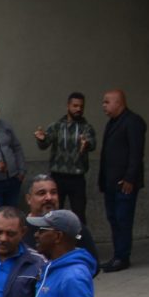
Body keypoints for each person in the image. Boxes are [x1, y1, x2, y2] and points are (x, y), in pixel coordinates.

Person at [98, 89, 147, 272]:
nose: (103, 106)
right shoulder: (112, 123)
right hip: (110, 183)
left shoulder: (133, 122)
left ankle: (122, 257)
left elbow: (136, 153)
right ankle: (117, 255)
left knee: (123, 219)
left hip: (124, 183)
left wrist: (129, 178)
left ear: (118, 102)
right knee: (114, 219)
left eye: (106, 102)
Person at [35, 92, 96, 224]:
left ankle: (79, 241)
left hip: (77, 178)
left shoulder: (86, 127)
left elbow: (92, 144)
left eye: (81, 106)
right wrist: (41, 139)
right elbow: (44, 144)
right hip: (57, 177)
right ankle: (55, 241)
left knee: (79, 215)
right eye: (75, 106)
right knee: (54, 213)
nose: (78, 109)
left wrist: (86, 144)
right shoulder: (56, 126)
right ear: (68, 106)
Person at [25, 173, 100, 268]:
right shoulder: (19, 228)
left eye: (53, 192)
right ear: (28, 199)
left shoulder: (72, 226)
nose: (49, 198)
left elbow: (93, 262)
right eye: (42, 193)